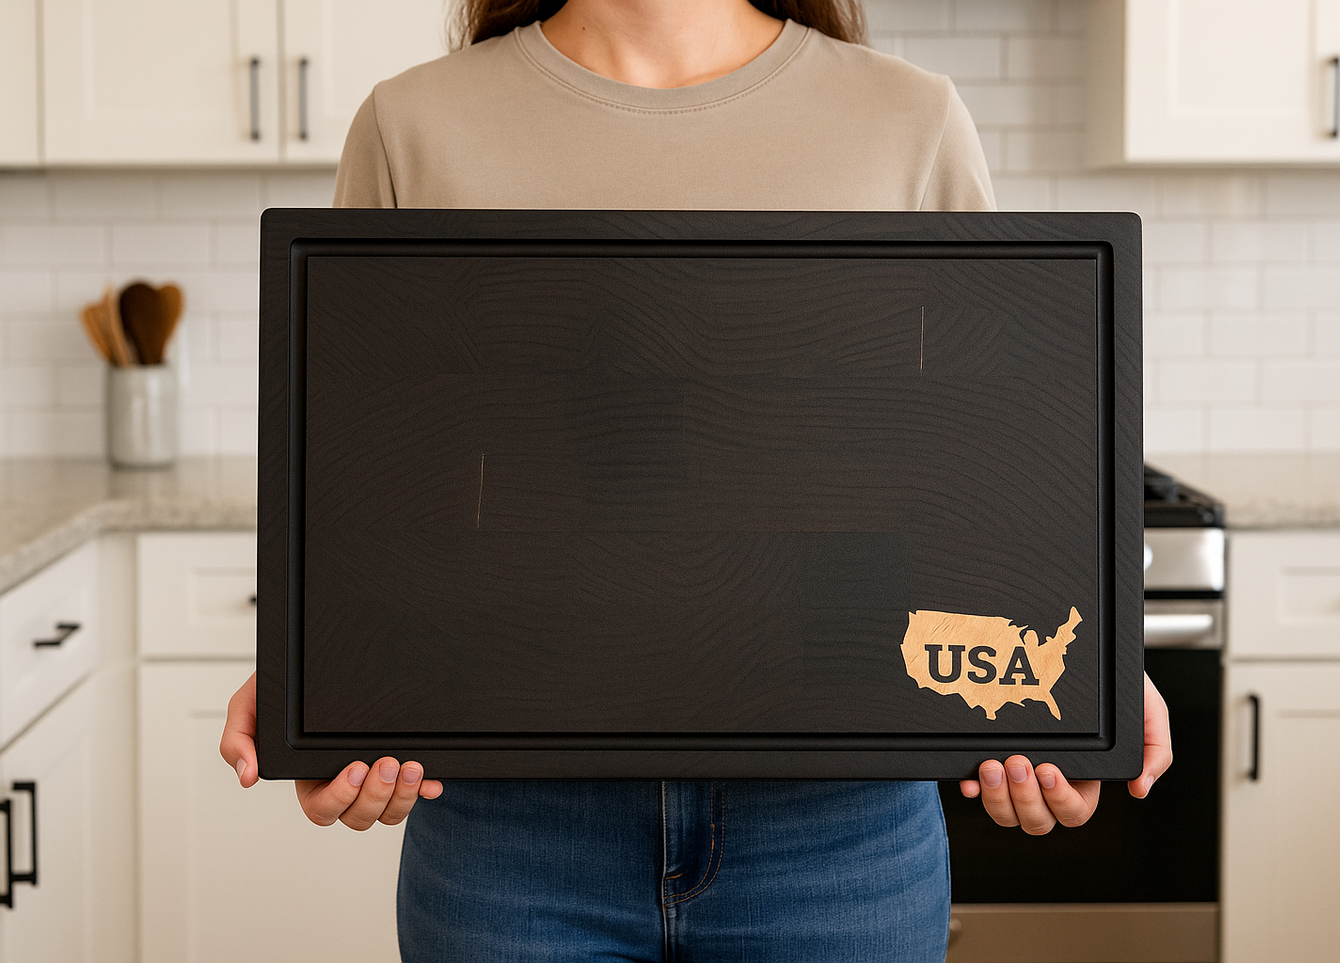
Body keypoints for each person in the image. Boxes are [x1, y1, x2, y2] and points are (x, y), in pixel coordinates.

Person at [220, 1, 1174, 959]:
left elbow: (980, 469)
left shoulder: (909, 118)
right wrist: (324, 677)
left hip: (836, 838)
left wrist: (1080, 678)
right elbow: (371, 483)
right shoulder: (412, 123)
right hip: (510, 841)